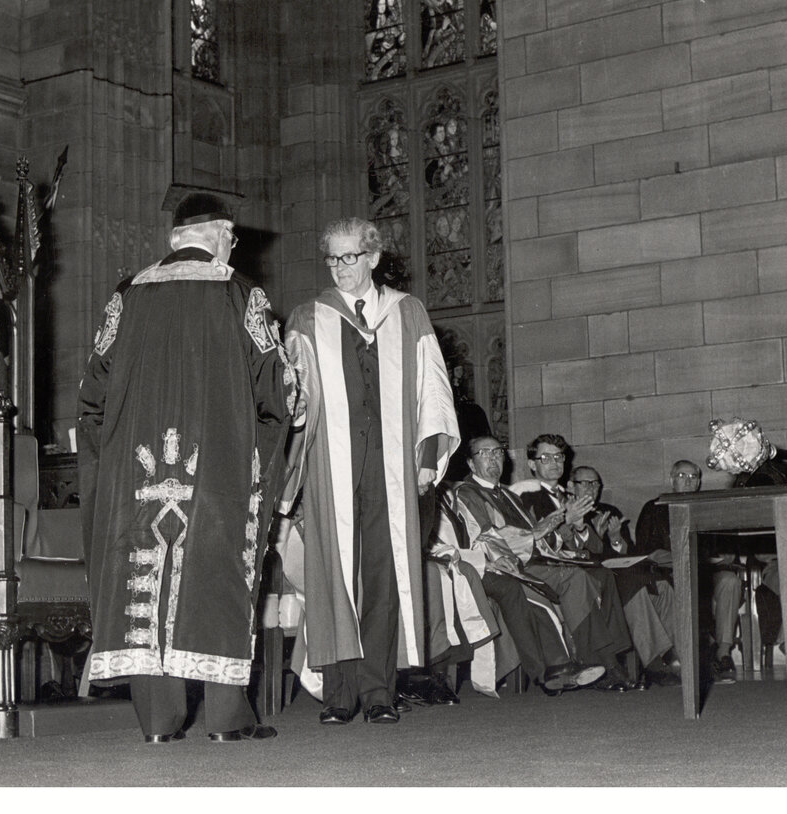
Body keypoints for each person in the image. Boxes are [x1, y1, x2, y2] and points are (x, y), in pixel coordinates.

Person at [77, 192, 297, 744]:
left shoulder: (126, 295)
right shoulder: (241, 293)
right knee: (217, 574)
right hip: (217, 464)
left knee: (141, 573)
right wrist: (261, 457)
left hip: (136, 468)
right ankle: (225, 720)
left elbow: (92, 393)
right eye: (232, 239)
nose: (232, 247)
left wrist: (109, 465)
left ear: (175, 239)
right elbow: (277, 393)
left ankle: (158, 722)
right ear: (220, 234)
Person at [280, 216, 460, 726]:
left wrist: (428, 460)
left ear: (374, 258)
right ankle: (339, 695)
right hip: (330, 466)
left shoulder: (408, 312)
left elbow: (433, 388)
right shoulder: (308, 317)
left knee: (384, 576)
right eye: (332, 259)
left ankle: (379, 691)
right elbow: (293, 397)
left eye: (349, 257)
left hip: (394, 467)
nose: (339, 268)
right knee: (334, 578)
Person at [453, 436, 634, 691]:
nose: (493, 459)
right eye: (485, 453)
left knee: (581, 576)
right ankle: (584, 665)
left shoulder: (508, 495)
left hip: (529, 559)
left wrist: (557, 529)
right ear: (471, 463)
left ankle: (602, 663)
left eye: (498, 453)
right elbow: (485, 538)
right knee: (573, 578)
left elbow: (542, 537)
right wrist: (538, 532)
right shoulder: (467, 493)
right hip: (499, 565)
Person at [520, 440, 679, 686]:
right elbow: (533, 542)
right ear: (532, 464)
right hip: (561, 570)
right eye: (546, 458)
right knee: (629, 582)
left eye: (559, 457)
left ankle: (674, 656)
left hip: (592, 566)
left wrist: (584, 528)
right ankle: (637, 663)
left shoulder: (572, 499)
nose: (554, 463)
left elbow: (594, 547)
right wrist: (569, 522)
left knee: (653, 581)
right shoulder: (525, 496)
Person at [635, 460, 744, 684]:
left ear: (699, 482)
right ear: (671, 480)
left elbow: (725, 546)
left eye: (693, 477)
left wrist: (725, 555)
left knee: (730, 581)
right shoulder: (654, 508)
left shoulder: (708, 507)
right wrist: (679, 558)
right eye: (682, 476)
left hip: (706, 572)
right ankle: (685, 657)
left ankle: (723, 653)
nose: (688, 481)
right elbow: (645, 550)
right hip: (669, 572)